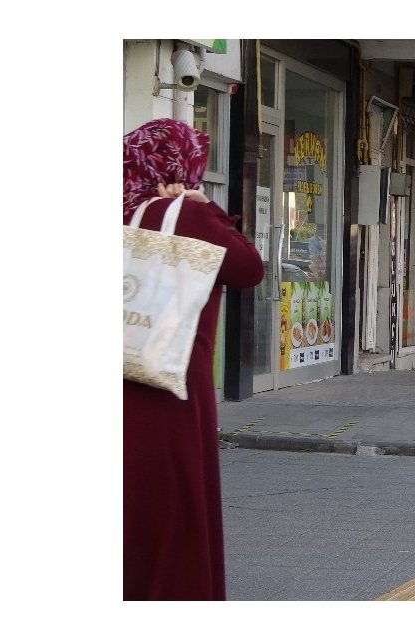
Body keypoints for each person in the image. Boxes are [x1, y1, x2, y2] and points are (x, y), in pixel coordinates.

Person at [123, 118, 265, 600]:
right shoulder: (186, 215)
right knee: (171, 511)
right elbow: (248, 268)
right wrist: (204, 209)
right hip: (167, 384)